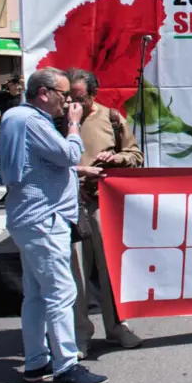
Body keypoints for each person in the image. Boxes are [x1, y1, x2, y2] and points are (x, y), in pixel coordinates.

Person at [0, 68, 108, 383]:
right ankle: (66, 366)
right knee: (61, 293)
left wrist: (78, 168)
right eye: (64, 96)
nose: (69, 103)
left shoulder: (16, 117)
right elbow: (68, 152)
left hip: (29, 217)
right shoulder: (33, 120)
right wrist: (73, 125)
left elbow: (42, 162)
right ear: (44, 93)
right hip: (44, 219)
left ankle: (36, 360)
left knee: (35, 295)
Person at [66, 69, 144, 351]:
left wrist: (116, 158)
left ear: (93, 95)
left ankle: (116, 326)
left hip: (102, 204)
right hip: (69, 205)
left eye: (80, 98)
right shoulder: (55, 120)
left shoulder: (111, 118)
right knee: (77, 272)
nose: (73, 105)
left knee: (111, 268)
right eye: (68, 98)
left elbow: (135, 156)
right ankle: (80, 333)